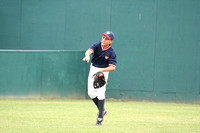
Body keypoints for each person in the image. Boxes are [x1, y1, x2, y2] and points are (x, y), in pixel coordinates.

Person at [82, 31, 117, 126]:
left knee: (100, 92)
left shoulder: (111, 52)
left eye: (106, 39)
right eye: (103, 37)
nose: (104, 40)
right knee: (91, 93)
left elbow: (113, 67)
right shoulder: (97, 45)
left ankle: (100, 118)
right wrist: (87, 55)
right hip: (93, 68)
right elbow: (89, 51)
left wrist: (101, 70)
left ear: (111, 41)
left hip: (103, 71)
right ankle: (103, 110)